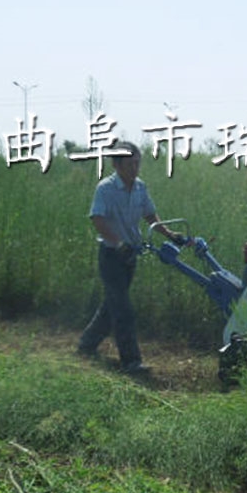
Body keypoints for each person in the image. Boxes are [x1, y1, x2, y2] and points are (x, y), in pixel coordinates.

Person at [77, 141, 182, 373]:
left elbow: (150, 215)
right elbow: (97, 219)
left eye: (137, 163)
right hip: (111, 256)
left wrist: (169, 234)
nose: (135, 168)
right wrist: (118, 242)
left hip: (130, 255)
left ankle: (86, 344)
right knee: (123, 309)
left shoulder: (140, 188)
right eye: (130, 164)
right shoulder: (105, 189)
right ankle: (131, 361)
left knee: (112, 305)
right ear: (117, 165)